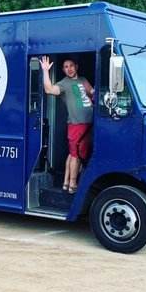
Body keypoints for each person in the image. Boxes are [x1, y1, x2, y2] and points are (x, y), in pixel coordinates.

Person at [39, 56, 94, 194]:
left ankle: (66, 183)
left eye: (71, 66)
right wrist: (45, 71)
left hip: (88, 124)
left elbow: (93, 93)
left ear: (76, 66)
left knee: (73, 154)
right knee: (76, 156)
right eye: (65, 67)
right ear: (63, 70)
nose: (69, 69)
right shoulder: (64, 83)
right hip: (76, 125)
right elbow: (49, 89)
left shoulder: (83, 80)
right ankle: (73, 184)